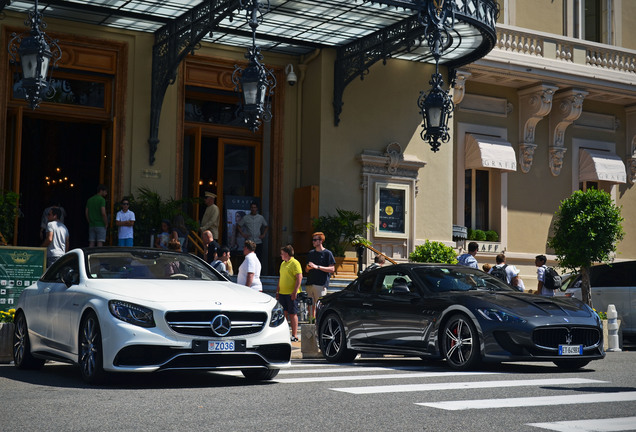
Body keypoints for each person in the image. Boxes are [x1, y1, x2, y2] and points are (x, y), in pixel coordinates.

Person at [305, 231, 335, 321]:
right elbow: (306, 270)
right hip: (310, 283)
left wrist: (317, 267)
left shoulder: (327, 253)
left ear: (321, 241)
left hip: (321, 284)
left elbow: (332, 269)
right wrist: (309, 268)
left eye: (315, 240)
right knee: (310, 307)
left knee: (320, 307)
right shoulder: (311, 253)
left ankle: (319, 324)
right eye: (312, 240)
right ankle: (311, 323)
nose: (313, 242)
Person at [277, 244, 302, 342]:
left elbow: (299, 277)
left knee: (293, 313)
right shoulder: (283, 264)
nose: (281, 255)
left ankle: (294, 335)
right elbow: (281, 278)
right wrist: (277, 290)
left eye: (282, 253)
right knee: (283, 314)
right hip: (282, 293)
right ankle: (284, 334)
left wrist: (295, 291)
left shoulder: (295, 263)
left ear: (287, 254)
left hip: (291, 294)